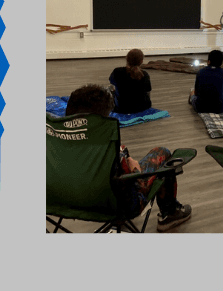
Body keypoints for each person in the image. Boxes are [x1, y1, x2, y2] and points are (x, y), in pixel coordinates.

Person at [65, 84, 193, 231]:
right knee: (162, 153)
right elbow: (126, 179)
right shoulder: (110, 150)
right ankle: (169, 213)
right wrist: (134, 170)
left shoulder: (55, 142)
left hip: (67, 200)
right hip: (120, 205)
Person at [108, 48, 152, 114]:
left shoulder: (117, 71)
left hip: (123, 108)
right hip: (143, 106)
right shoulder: (144, 74)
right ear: (141, 61)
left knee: (110, 89)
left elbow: (111, 82)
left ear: (126, 59)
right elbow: (148, 91)